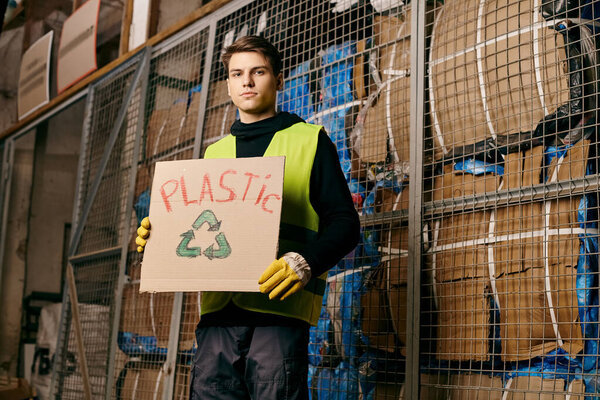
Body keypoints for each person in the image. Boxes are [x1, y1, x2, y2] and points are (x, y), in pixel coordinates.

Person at [136, 35, 360, 399]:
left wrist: (307, 262)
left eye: (259, 71)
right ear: (228, 84)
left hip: (279, 313)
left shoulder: (310, 140)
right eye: (237, 73)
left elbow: (346, 224)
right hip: (217, 317)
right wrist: (159, 235)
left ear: (279, 79)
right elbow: (199, 229)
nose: (248, 81)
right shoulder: (214, 155)